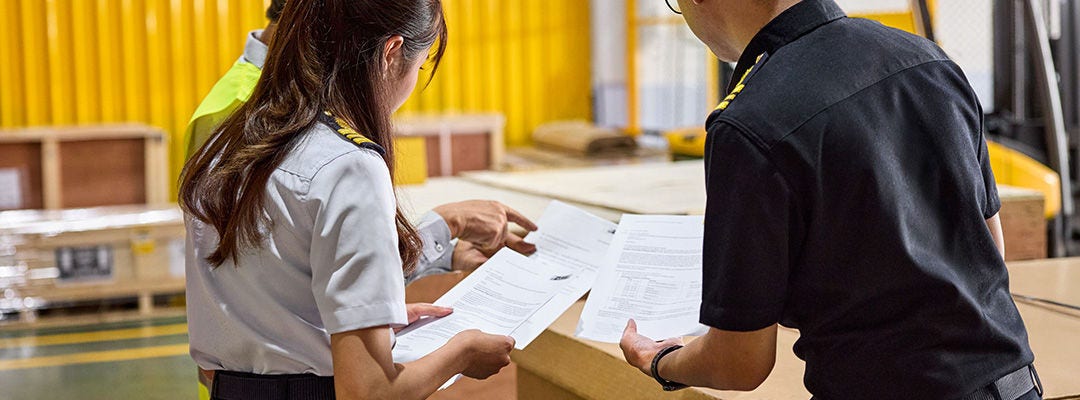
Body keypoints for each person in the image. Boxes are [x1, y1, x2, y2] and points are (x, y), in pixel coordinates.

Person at [619, 1, 1041, 399]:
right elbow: (990, 251)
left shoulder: (749, 123)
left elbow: (739, 362)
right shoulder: (926, 59)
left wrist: (660, 361)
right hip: (1014, 386)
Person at [180, 1, 517, 398]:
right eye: (421, 65)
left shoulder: (227, 140)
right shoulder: (349, 166)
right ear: (392, 54)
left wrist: (358, 324)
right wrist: (461, 352)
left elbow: (270, 294)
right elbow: (369, 392)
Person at [183, 0, 529, 287]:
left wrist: (439, 246)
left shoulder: (281, 100)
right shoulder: (250, 109)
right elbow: (271, 276)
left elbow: (306, 260)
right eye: (421, 67)